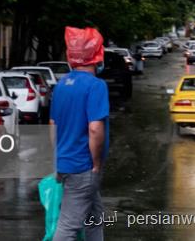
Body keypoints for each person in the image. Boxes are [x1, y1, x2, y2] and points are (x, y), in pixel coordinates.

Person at [50, 27, 110, 241]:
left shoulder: (61, 85)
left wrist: (56, 156)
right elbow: (95, 128)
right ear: (97, 55)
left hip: (64, 162)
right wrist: (95, 163)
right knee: (68, 226)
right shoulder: (96, 86)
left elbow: (52, 125)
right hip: (83, 166)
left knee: (94, 215)